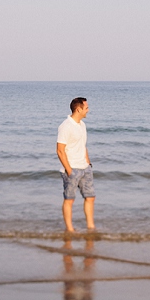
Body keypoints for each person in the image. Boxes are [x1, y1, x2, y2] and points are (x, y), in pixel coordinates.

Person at [57, 97, 95, 233]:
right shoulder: (65, 126)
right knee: (69, 199)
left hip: (85, 168)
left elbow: (83, 146)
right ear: (78, 109)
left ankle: (91, 227)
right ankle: (70, 229)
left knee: (90, 197)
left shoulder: (82, 125)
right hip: (72, 169)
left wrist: (88, 163)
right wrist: (69, 170)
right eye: (86, 108)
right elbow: (60, 150)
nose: (88, 110)